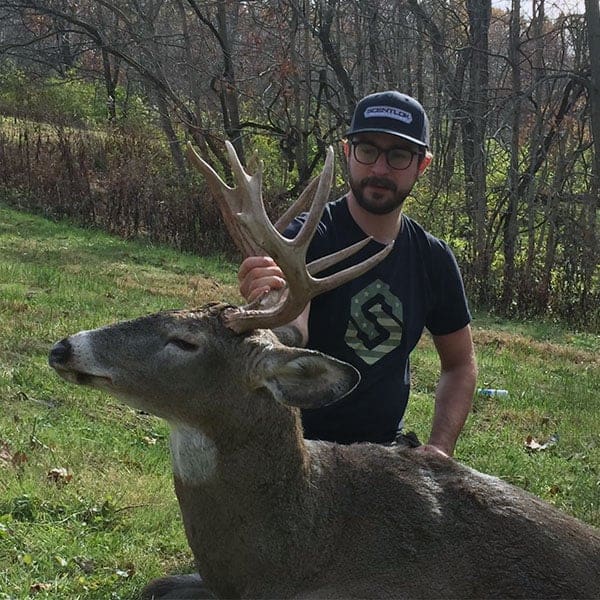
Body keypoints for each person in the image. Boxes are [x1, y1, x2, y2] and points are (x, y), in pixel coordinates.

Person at [238, 90, 477, 458]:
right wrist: (269, 305)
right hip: (300, 452)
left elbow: (460, 365)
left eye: (398, 155)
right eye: (367, 150)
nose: (379, 169)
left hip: (382, 458)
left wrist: (441, 448)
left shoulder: (433, 259)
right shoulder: (303, 240)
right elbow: (292, 328)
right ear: (348, 152)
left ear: (422, 165)